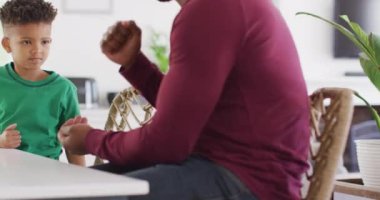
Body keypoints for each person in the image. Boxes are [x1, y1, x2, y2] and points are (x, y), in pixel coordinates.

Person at [59, 0, 310, 199]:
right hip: (228, 168)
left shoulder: (210, 10)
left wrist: (91, 140)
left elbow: (166, 143)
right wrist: (135, 64)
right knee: (64, 191)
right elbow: (187, 112)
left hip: (251, 183)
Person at [0, 0, 85, 166]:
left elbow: (73, 143)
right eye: (26, 42)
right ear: (7, 44)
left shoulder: (64, 89)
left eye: (44, 42)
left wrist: (84, 182)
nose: (37, 49)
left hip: (49, 175)